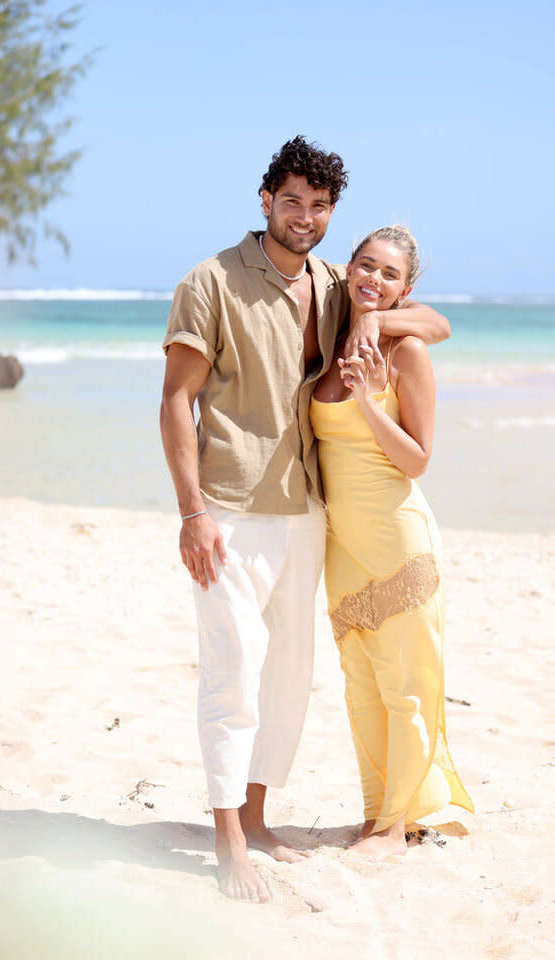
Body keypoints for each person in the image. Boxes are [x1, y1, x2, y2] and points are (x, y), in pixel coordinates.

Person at [160, 137, 451, 901]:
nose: (304, 217)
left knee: (289, 678)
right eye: (292, 201)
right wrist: (192, 512)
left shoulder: (331, 281)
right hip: (228, 506)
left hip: (308, 509)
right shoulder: (211, 280)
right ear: (264, 199)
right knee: (233, 673)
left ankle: (256, 820)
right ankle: (229, 842)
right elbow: (175, 401)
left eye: (320, 207)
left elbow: (430, 320)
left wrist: (374, 327)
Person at [311, 225, 474, 861]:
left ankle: (394, 827)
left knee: (406, 683)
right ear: (346, 269)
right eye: (365, 266)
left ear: (404, 289)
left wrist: (367, 401)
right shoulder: (327, 339)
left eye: (388, 274)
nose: (373, 280)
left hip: (399, 536)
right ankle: (377, 813)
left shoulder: (405, 351)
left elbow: (417, 460)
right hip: (343, 544)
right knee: (362, 684)